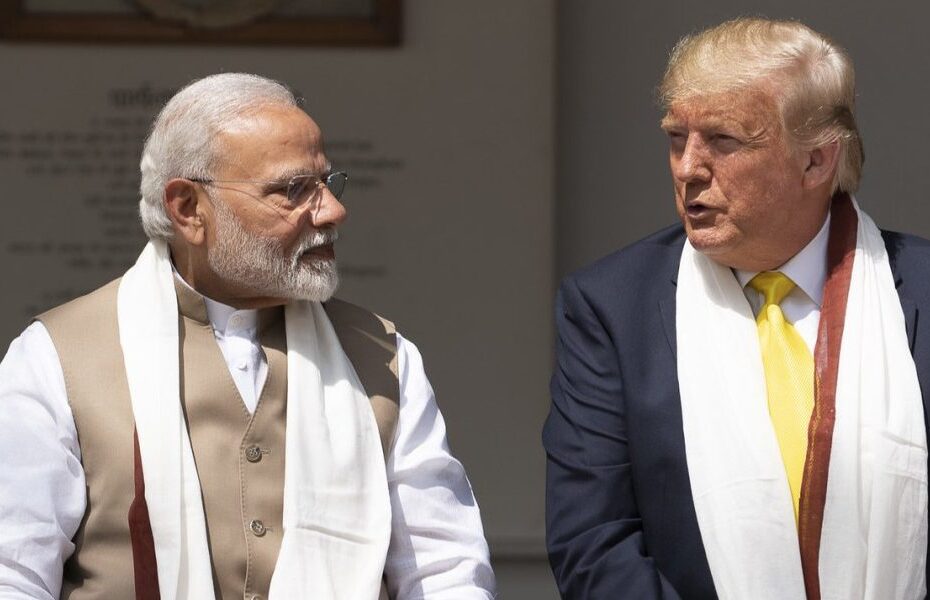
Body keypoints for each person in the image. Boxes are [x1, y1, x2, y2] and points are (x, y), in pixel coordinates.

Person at [0, 73, 496, 600]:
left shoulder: (381, 356)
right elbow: (13, 570)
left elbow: (445, 571)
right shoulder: (59, 356)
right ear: (188, 208)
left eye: (328, 182)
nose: (332, 210)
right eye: (293, 189)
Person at [544, 17, 930, 600]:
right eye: (677, 138)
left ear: (817, 161)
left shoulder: (919, 290)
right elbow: (593, 543)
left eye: (723, 140)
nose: (688, 167)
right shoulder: (612, 308)